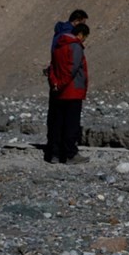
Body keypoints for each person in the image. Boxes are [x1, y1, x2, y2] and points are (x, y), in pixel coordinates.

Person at [44, 10, 88, 163]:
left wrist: (55, 84)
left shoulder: (57, 42)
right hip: (71, 90)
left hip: (57, 90)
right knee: (71, 123)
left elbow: (52, 67)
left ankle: (54, 153)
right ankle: (70, 154)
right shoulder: (75, 46)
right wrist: (62, 84)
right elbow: (72, 68)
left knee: (57, 122)